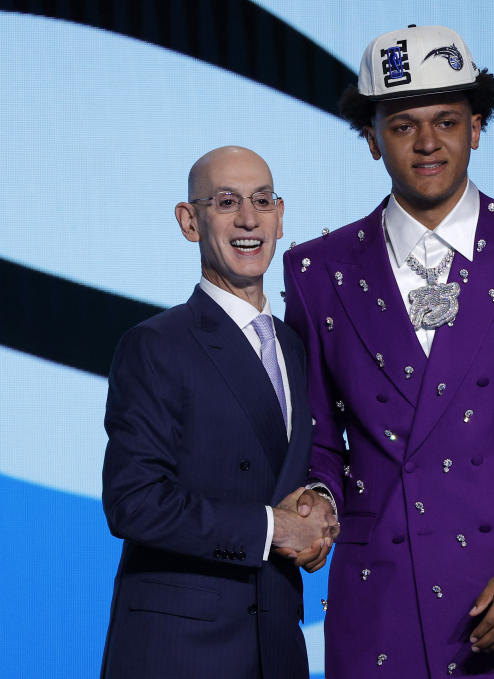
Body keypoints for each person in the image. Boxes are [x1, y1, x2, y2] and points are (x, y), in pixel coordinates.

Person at [283, 25, 494, 679]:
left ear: (477, 127)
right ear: (372, 137)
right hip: (380, 609)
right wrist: (315, 499)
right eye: (403, 125)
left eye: (447, 121)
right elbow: (317, 437)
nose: (428, 142)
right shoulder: (318, 269)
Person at [101, 146, 337, 679]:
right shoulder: (157, 344)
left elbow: (307, 460)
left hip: (276, 641)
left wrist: (319, 508)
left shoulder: (296, 348)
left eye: (261, 201)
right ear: (190, 222)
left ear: (280, 216)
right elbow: (132, 501)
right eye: (226, 202)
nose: (248, 220)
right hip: (180, 650)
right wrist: (271, 529)